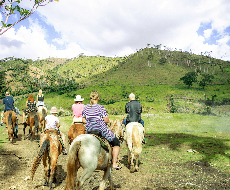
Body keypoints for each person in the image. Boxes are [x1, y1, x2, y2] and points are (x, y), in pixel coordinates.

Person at [82, 91, 121, 170]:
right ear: (98, 98)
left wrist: (90, 122)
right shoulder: (100, 107)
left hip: (89, 130)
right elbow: (105, 119)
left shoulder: (86, 107)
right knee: (116, 143)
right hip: (100, 130)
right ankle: (114, 163)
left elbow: (83, 120)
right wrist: (108, 121)